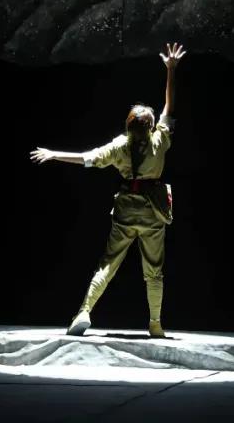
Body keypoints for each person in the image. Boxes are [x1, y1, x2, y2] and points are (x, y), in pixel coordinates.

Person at [31, 42, 186, 338]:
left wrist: (54, 154)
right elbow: (170, 106)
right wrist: (171, 70)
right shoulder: (159, 141)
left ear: (129, 127)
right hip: (153, 212)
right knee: (154, 269)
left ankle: (84, 311)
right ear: (150, 127)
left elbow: (87, 158)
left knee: (108, 263)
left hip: (127, 209)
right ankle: (155, 323)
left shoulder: (119, 146)